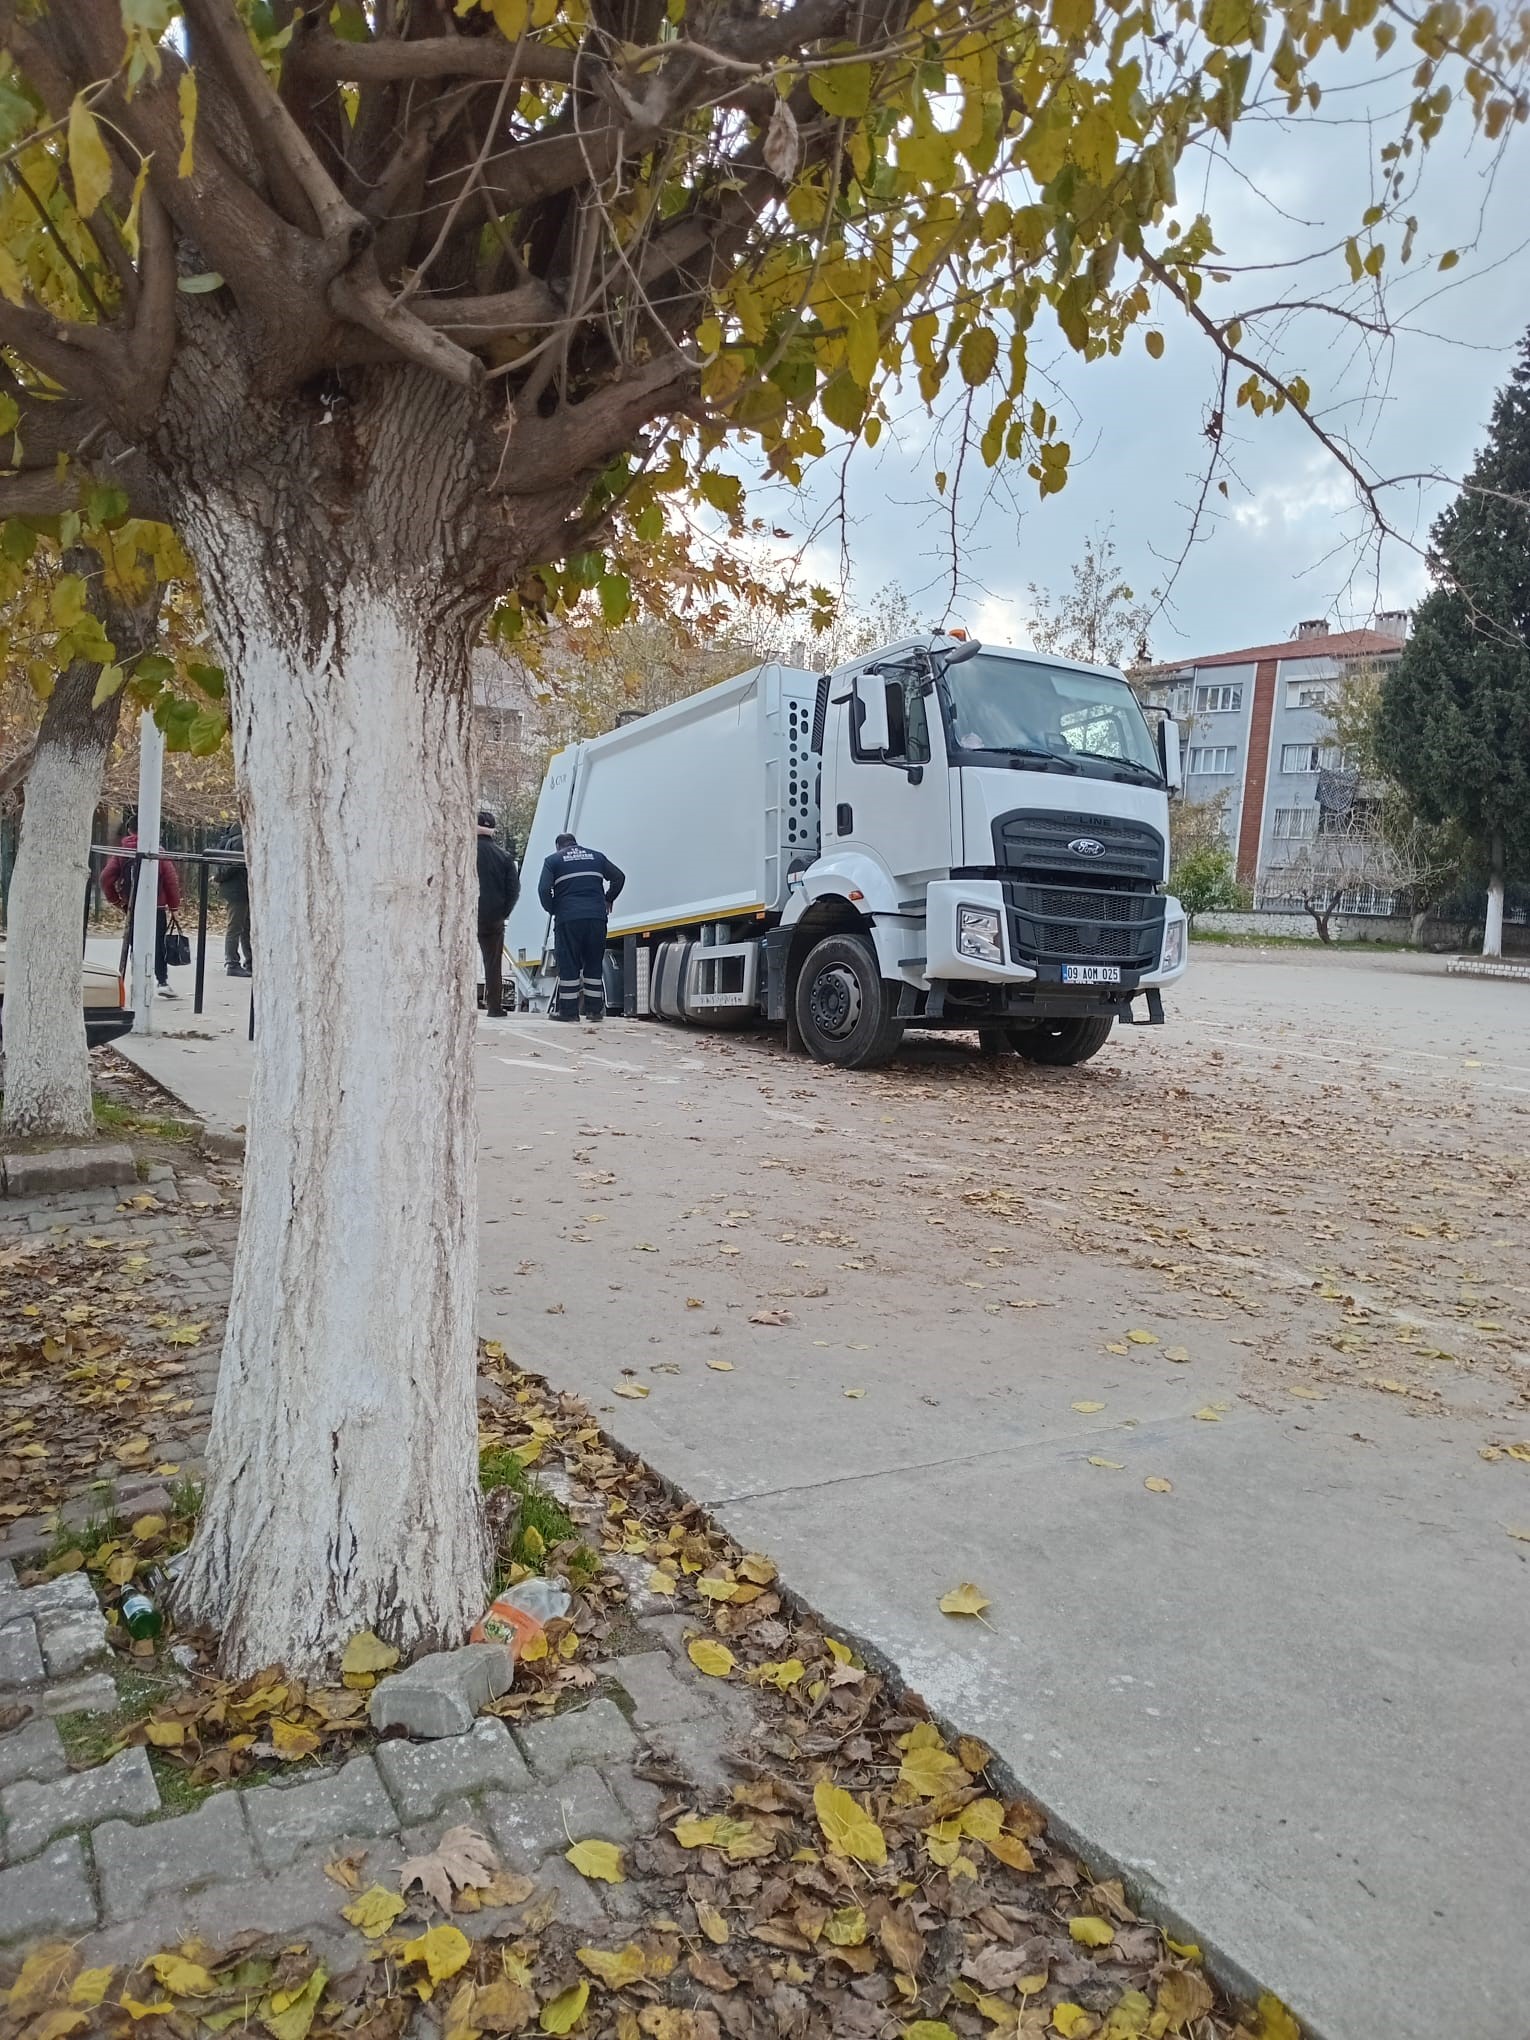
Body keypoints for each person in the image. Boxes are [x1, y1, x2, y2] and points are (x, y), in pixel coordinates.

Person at [537, 830, 624, 1022]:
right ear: (575, 843)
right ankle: (594, 1012)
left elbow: (543, 889)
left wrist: (554, 909)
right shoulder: (597, 857)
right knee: (593, 963)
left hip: (568, 918)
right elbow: (619, 877)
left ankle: (569, 1012)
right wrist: (607, 899)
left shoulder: (553, 860)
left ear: (558, 846)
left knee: (569, 963)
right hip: (596, 917)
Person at [101, 829, 182, 998]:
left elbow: (105, 878)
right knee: (159, 943)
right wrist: (174, 907)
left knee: (134, 942)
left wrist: (117, 900)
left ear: (129, 830)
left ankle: (136, 979)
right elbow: (171, 881)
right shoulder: (158, 852)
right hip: (156, 906)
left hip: (133, 905)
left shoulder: (122, 852)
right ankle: (162, 982)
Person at [475, 806, 520, 1018]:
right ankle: (494, 1006)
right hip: (493, 916)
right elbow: (514, 889)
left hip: (466, 913)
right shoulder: (504, 856)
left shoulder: (463, 851)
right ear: (493, 830)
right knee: (493, 962)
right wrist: (503, 912)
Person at [217, 822, 252, 977]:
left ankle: (249, 961)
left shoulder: (234, 839)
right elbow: (233, 865)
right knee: (237, 927)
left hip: (238, 889)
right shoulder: (241, 841)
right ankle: (233, 962)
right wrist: (220, 876)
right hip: (238, 889)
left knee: (244, 927)